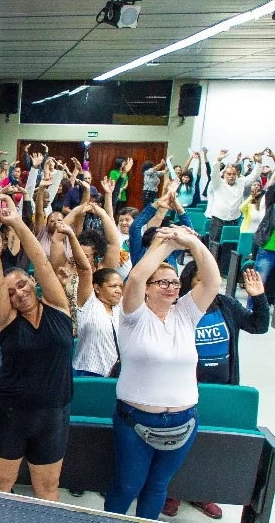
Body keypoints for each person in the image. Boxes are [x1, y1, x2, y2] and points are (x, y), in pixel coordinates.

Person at [103, 225, 221, 519]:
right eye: (163, 283)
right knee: (128, 485)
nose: (171, 288)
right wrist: (168, 244)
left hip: (184, 422)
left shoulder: (185, 313)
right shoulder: (133, 316)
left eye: (175, 283)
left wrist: (192, 242)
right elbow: (137, 278)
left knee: (158, 486)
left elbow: (213, 281)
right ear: (148, 289)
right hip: (135, 421)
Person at [158, 263, 269, 519]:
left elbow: (258, 326)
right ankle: (173, 491)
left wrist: (259, 298)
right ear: (188, 283)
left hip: (221, 389)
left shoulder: (226, 305)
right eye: (200, 280)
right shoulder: (177, 308)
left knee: (211, 442)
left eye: (211, 280)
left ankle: (203, 492)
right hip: (183, 391)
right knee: (178, 441)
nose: (207, 285)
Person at [0, 205, 73, 502]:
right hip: (8, 414)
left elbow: (41, 262)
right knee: (1, 484)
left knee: (47, 489)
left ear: (32, 282)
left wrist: (18, 223)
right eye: (10, 293)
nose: (18, 292)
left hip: (53, 416)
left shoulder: (58, 307)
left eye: (22, 284)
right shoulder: (5, 320)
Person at [205, 150, 246, 247]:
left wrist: (258, 164)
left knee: (229, 244)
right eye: (229, 174)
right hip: (218, 219)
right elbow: (214, 174)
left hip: (234, 219)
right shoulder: (218, 183)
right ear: (224, 175)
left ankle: (224, 262)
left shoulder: (240, 183)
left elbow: (253, 178)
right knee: (214, 244)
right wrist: (218, 160)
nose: (232, 176)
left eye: (233, 174)